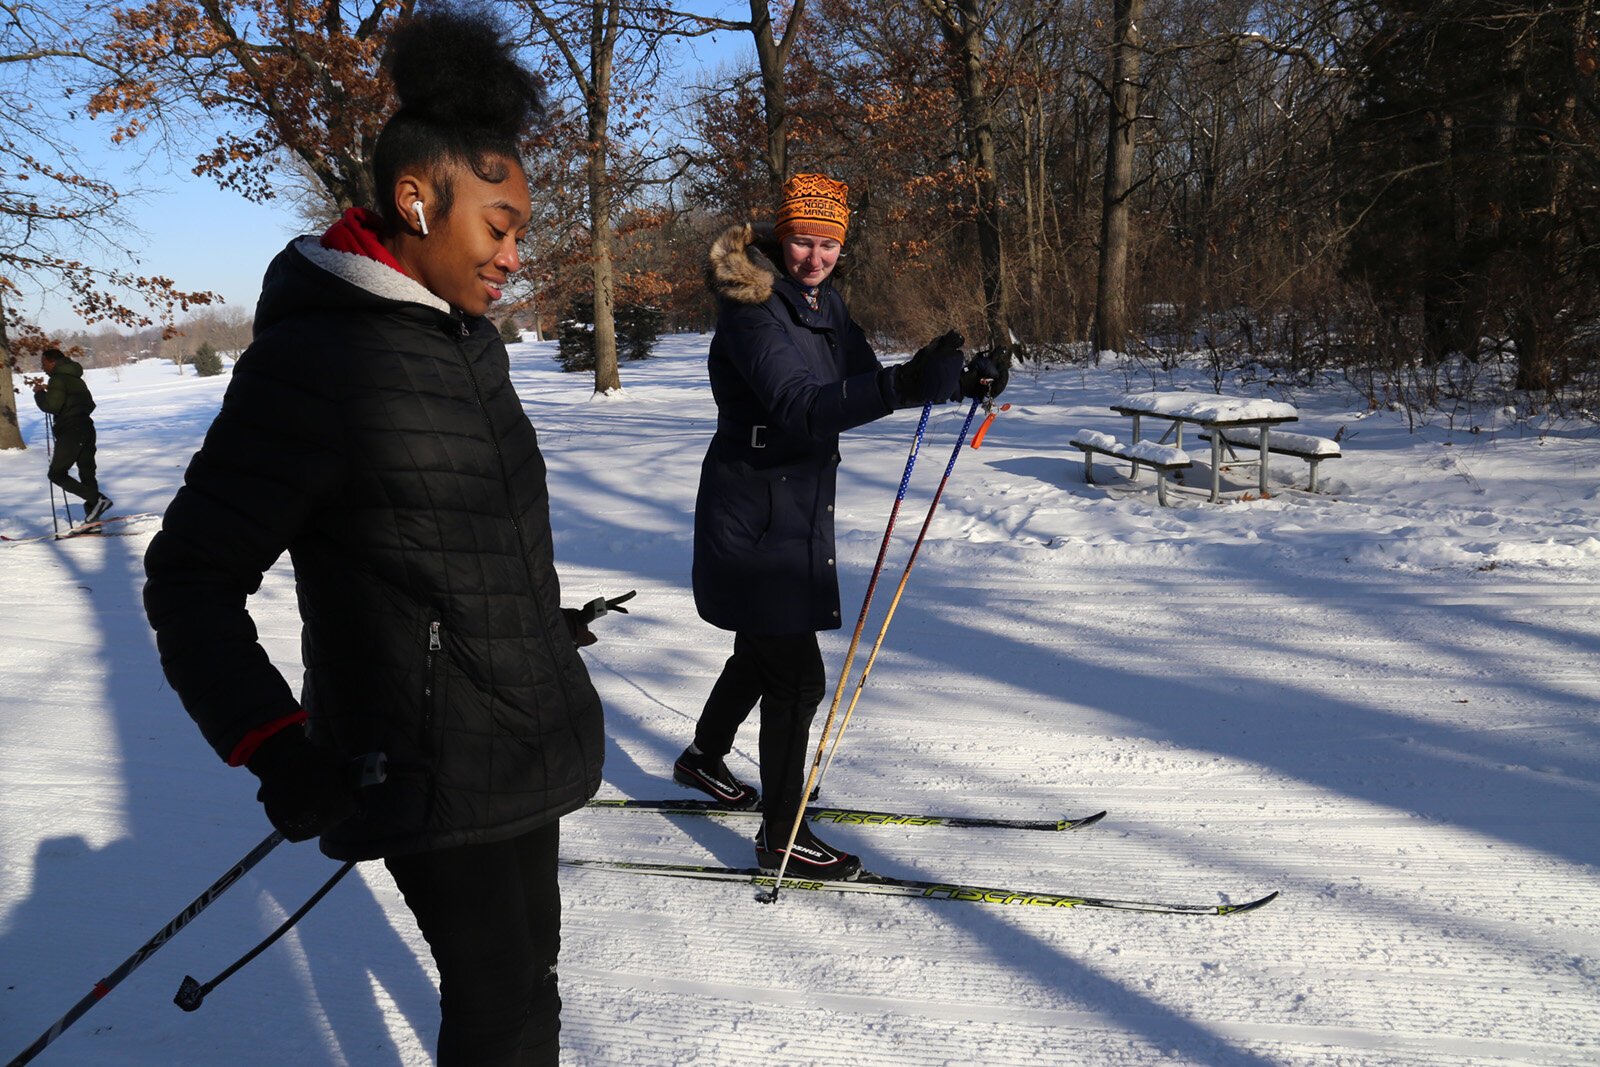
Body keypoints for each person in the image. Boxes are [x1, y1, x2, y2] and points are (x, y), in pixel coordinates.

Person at [141, 8, 602, 1065]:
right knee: (500, 1012)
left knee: (529, 986)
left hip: (521, 733)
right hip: (422, 762)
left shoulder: (465, 343)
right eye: (499, 226)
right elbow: (191, 577)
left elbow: (452, 528)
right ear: (414, 198)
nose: (514, 256)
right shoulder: (316, 364)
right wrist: (274, 743)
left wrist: (529, 620)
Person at [673, 173, 1007, 879]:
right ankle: (781, 834)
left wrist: (953, 378)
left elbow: (862, 381)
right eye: (802, 241)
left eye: (828, 244)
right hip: (753, 514)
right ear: (779, 235)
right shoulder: (753, 305)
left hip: (791, 508)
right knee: (795, 676)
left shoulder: (824, 303)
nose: (815, 256)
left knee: (761, 654)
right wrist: (904, 386)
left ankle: (703, 758)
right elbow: (799, 406)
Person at [33, 347, 113, 523]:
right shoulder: (76, 379)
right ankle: (93, 519)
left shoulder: (58, 379)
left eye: (44, 363)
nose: (43, 367)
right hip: (87, 427)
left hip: (71, 431)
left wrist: (39, 394)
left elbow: (51, 407)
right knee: (87, 473)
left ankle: (98, 500)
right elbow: (90, 404)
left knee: (56, 474)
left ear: (52, 362)